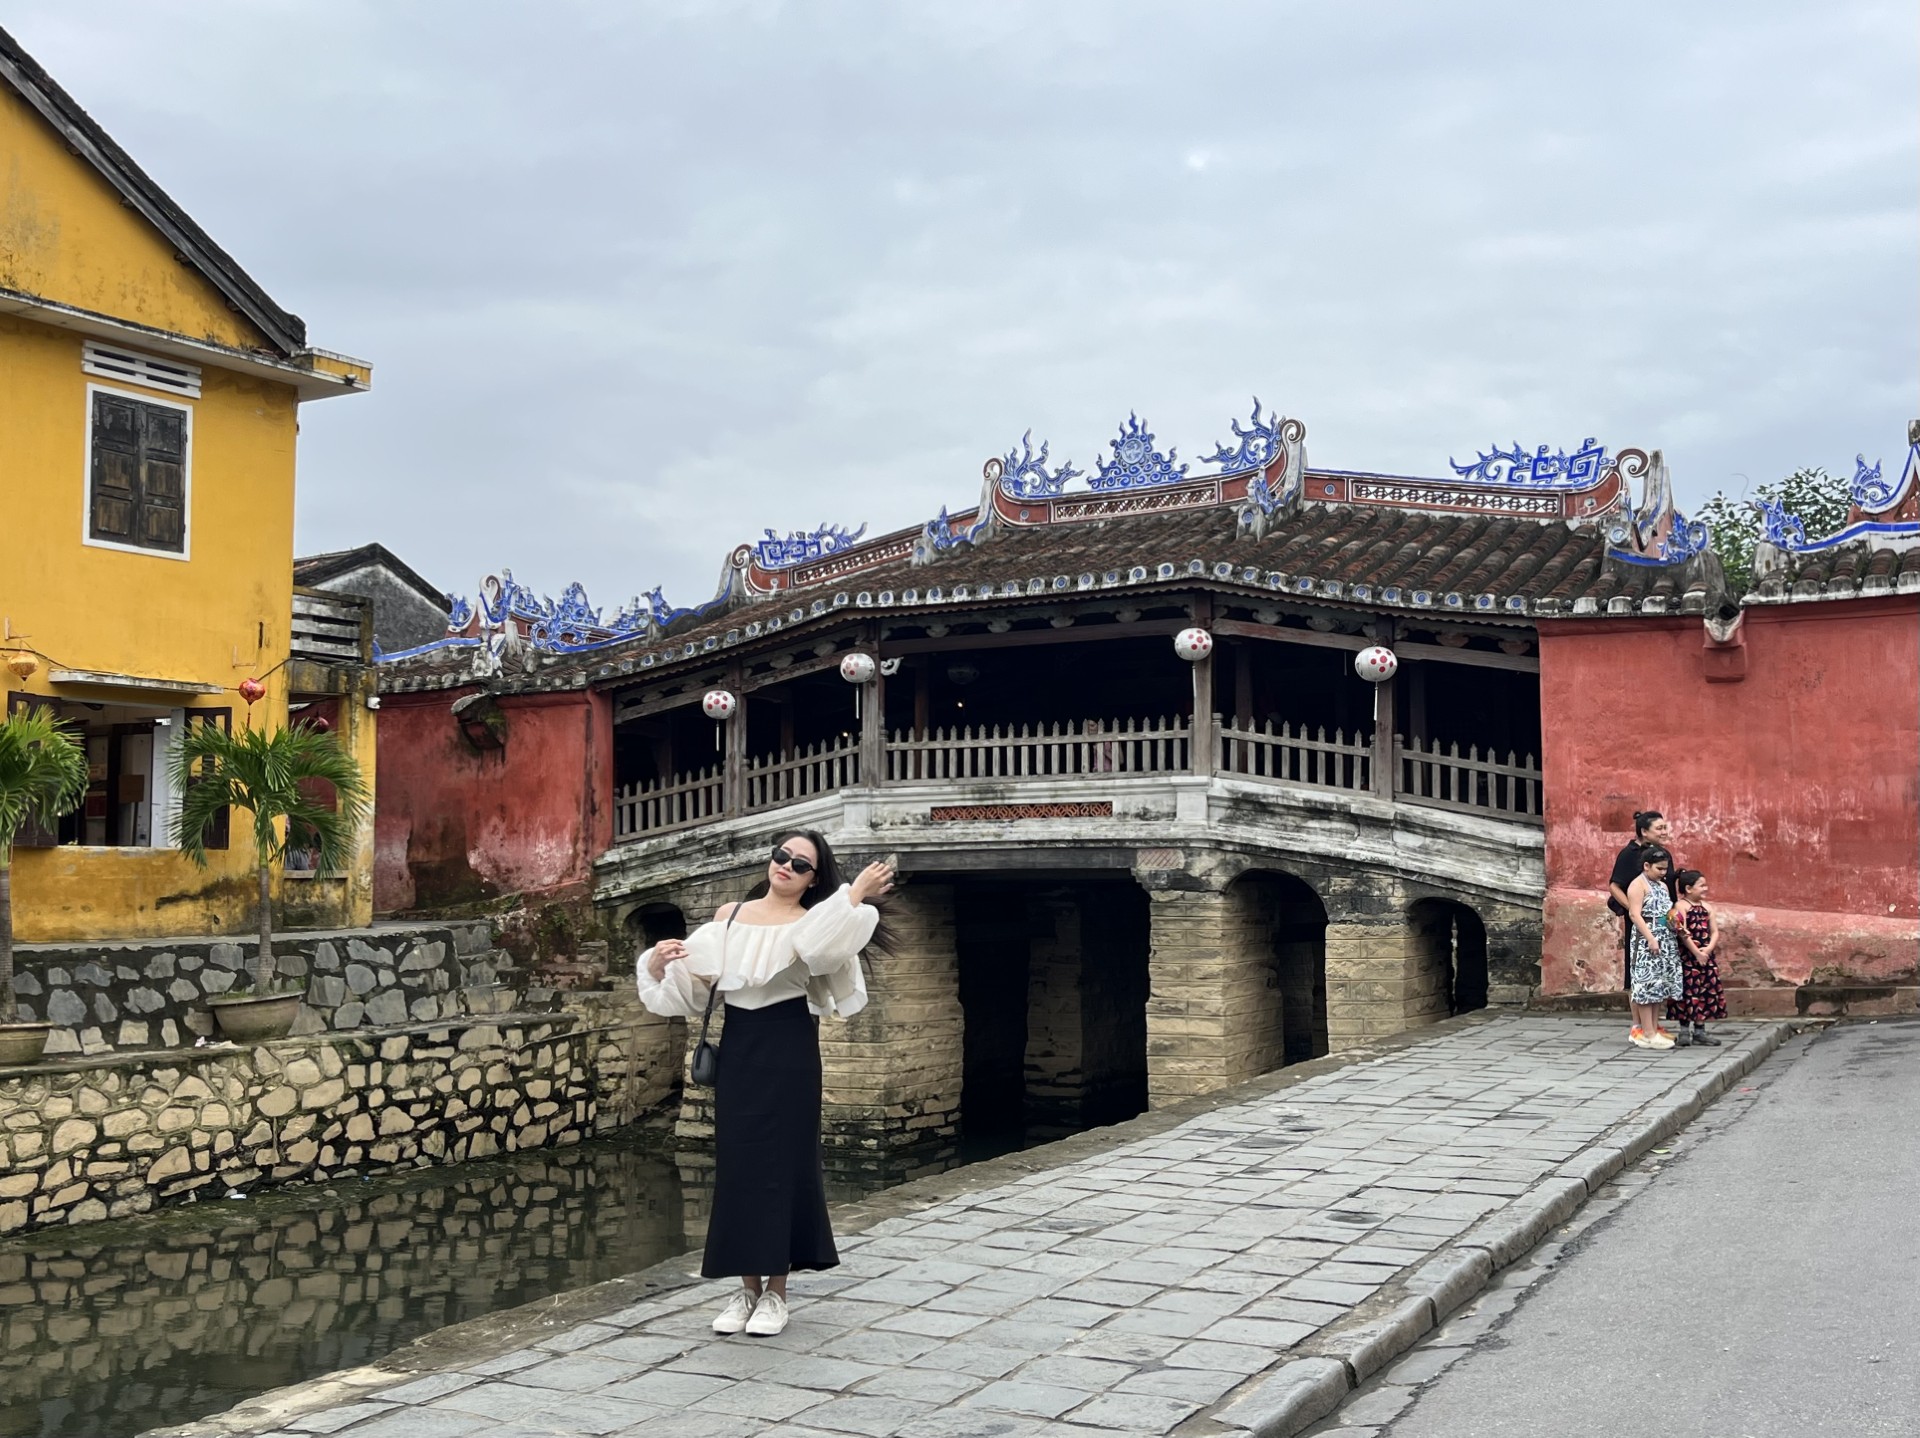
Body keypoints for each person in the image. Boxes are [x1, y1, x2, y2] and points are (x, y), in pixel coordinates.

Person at [636, 830, 893, 1338]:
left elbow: (819, 950)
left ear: (814, 878)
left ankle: (777, 1293)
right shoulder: (729, 915)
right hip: (741, 1047)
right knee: (739, 1165)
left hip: (790, 1045)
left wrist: (854, 894)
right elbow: (694, 991)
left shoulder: (812, 924)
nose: (786, 866)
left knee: (785, 1164)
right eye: (781, 856)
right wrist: (659, 962)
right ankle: (746, 1288)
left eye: (801, 864)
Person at [1624, 844, 1683, 1049]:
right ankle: (1646, 1031)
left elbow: (1666, 911)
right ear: (1646, 865)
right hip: (1646, 937)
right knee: (1646, 983)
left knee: (1659, 984)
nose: (1663, 873)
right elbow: (1634, 914)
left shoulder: (1663, 886)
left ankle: (1655, 1027)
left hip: (1665, 937)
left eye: (1665, 869)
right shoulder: (1637, 885)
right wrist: (1650, 938)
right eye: (1659, 869)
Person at [1608, 810, 1672, 989]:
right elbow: (1614, 886)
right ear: (1644, 831)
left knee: (1661, 968)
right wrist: (1633, 910)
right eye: (1659, 828)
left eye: (1665, 827)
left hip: (1662, 920)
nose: (1664, 832)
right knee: (1638, 969)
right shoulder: (1629, 853)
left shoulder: (1662, 854)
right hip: (1640, 921)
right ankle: (1638, 1013)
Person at [1667, 869, 1726, 1046]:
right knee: (1687, 992)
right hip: (1688, 956)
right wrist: (1697, 953)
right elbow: (1682, 933)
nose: (1705, 889)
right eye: (1701, 885)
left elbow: (1714, 932)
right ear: (1688, 888)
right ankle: (1684, 1029)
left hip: (1706, 956)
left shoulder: (1708, 908)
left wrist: (1707, 950)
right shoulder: (1680, 907)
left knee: (1705, 991)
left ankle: (1700, 1030)